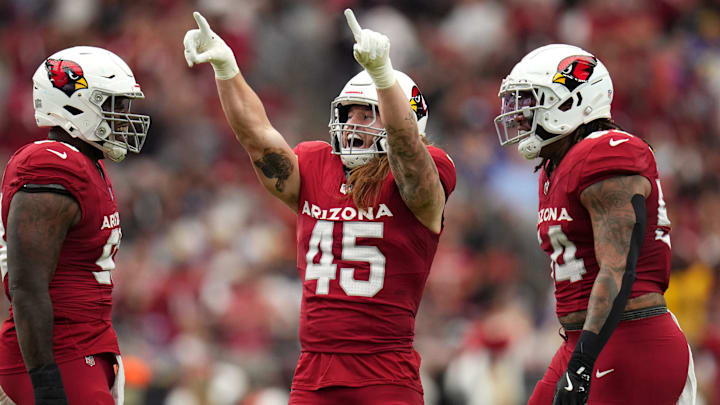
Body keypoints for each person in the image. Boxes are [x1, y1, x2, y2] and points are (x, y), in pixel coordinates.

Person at [184, 9, 455, 405]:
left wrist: (383, 76)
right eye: (349, 115)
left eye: (368, 115)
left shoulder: (424, 174)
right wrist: (227, 70)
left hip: (384, 370)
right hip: (315, 369)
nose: (353, 125)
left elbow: (409, 156)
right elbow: (258, 138)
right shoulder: (316, 166)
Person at [494, 44, 696, 404]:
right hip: (583, 341)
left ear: (571, 101)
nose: (521, 117)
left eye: (530, 102)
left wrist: (584, 363)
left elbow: (618, 270)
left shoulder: (605, 153)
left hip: (631, 339)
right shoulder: (555, 166)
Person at [0, 46, 150, 404]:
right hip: (58, 354)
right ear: (75, 104)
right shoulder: (52, 163)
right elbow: (26, 287)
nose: (123, 118)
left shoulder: (86, 163)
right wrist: (47, 383)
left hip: (85, 345)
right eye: (114, 105)